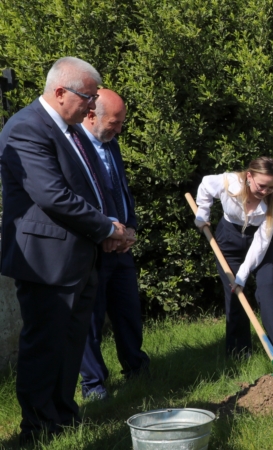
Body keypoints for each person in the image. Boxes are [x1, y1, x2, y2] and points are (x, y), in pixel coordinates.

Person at [0, 57, 128, 444]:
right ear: (60, 92)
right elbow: (52, 196)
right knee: (45, 345)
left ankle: (64, 417)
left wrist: (106, 229)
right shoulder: (26, 128)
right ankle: (37, 428)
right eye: (88, 97)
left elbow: (89, 187)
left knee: (70, 345)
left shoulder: (70, 131)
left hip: (78, 255)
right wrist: (107, 227)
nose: (93, 106)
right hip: (46, 261)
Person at [78, 89, 150, 401]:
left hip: (121, 247)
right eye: (114, 123)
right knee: (90, 320)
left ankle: (137, 368)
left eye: (121, 123)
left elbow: (121, 189)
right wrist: (104, 231)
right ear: (91, 115)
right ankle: (94, 385)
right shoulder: (75, 147)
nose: (119, 129)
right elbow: (74, 199)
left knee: (128, 311)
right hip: (91, 247)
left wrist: (129, 226)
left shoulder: (111, 143)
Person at [194, 157, 273, 362]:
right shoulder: (229, 182)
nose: (265, 192)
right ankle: (239, 351)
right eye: (262, 185)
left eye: (271, 187)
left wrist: (243, 274)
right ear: (249, 176)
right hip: (228, 239)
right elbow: (205, 185)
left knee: (267, 287)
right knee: (235, 294)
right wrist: (202, 212)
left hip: (260, 242)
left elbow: (261, 242)